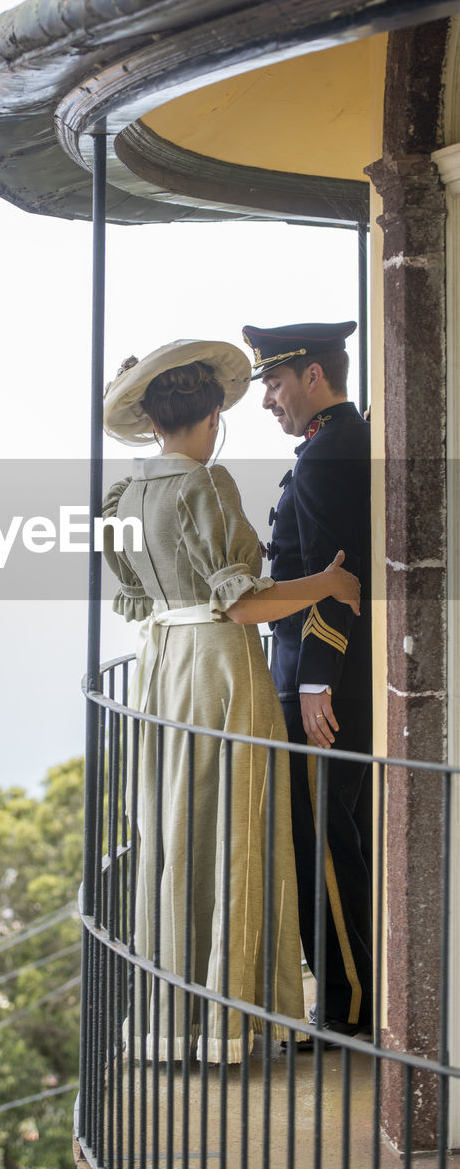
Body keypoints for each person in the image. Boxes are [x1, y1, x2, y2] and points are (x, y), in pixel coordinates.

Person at [101, 338, 361, 1064]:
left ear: (153, 422)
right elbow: (243, 606)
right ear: (212, 415)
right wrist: (327, 585)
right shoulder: (205, 486)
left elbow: (137, 592)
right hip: (219, 669)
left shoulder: (127, 494)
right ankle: (231, 1021)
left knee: (176, 832)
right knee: (237, 832)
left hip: (164, 669)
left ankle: (169, 1020)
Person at [242, 320, 372, 1040]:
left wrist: (316, 682)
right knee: (338, 840)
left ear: (312, 377)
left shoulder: (326, 455)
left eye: (274, 382)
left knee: (320, 846)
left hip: (318, 686)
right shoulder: (335, 443)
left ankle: (348, 1009)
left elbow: (336, 574)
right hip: (326, 679)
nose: (266, 398)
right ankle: (353, 996)